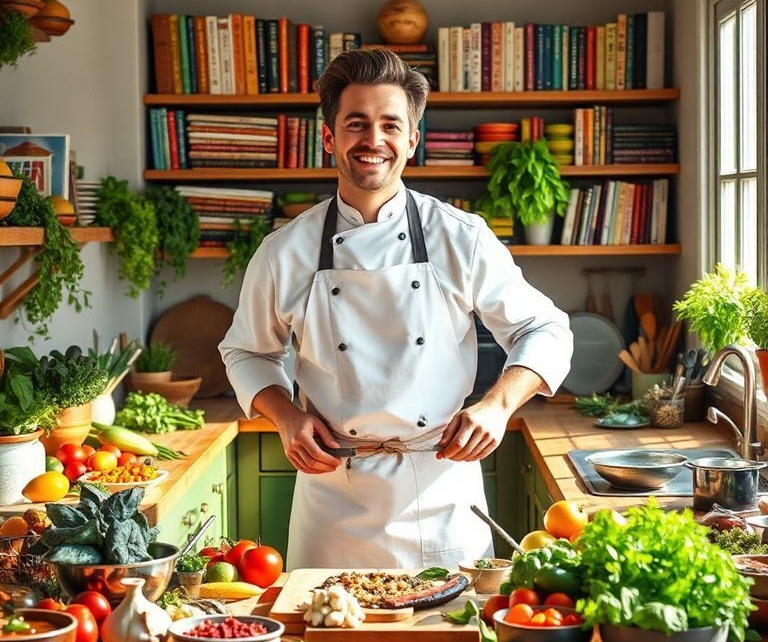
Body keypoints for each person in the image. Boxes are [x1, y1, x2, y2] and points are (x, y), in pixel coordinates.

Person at [219, 48, 573, 570]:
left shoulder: (462, 237)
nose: (373, 140)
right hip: (333, 489)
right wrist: (287, 416)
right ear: (329, 137)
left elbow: (545, 328)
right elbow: (247, 352)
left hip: (442, 486)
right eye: (356, 123)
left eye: (390, 125)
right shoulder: (283, 251)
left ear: (412, 138)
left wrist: (498, 406)